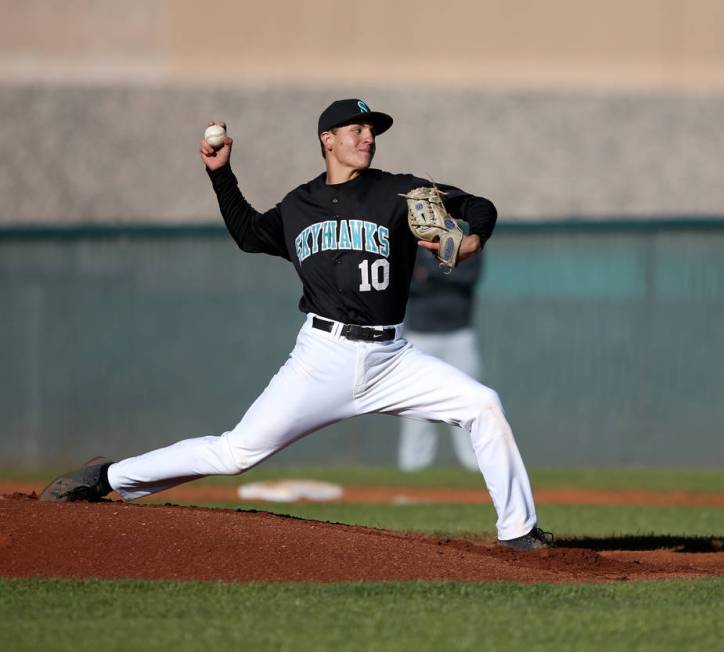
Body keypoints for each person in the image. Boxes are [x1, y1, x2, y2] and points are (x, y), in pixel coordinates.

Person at [39, 98, 552, 551]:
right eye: (356, 129)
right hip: (322, 358)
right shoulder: (299, 206)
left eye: (372, 130)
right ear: (327, 140)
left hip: (392, 358)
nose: (367, 137)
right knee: (237, 452)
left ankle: (518, 532)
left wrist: (470, 239)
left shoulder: (402, 192)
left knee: (484, 405)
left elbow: (479, 205)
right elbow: (247, 234)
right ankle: (107, 476)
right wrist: (221, 174)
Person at [398, 249, 483, 471]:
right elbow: (406, 283)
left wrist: (431, 274)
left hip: (459, 334)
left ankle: (476, 466)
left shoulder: (466, 239)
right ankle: (413, 467)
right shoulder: (413, 243)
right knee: (416, 406)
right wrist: (448, 272)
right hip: (420, 335)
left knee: (468, 401)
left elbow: (469, 277)